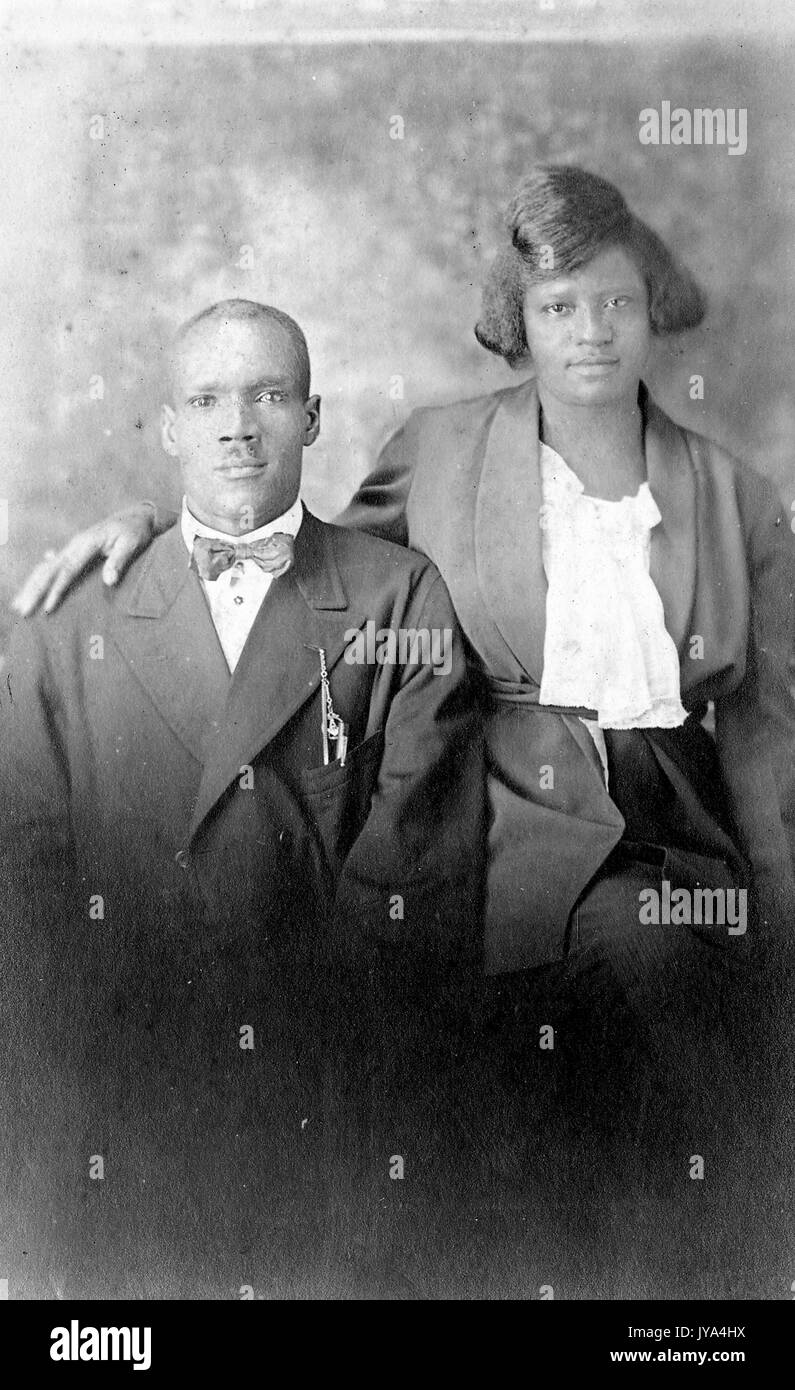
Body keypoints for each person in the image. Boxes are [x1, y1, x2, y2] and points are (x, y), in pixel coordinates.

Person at [12, 168, 795, 1295]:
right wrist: (145, 527)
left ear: (657, 310)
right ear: (516, 319)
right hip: (496, 806)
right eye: (558, 305)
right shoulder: (443, 448)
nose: (591, 333)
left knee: (686, 1000)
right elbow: (311, 554)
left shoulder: (733, 491)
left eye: (617, 303)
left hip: (670, 820)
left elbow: (770, 735)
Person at [0, 299, 485, 1298]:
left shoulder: (398, 598)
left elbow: (414, 871)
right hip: (119, 1079)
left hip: (324, 1074)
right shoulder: (65, 620)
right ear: (171, 427)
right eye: (209, 399)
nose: (239, 425)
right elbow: (27, 891)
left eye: (269, 395)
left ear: (312, 418)